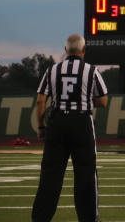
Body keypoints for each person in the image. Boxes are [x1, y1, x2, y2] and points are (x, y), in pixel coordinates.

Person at [32, 34, 108, 222]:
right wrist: (83, 101)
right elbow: (102, 101)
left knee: (50, 174)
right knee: (86, 173)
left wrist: (41, 126)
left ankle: (41, 218)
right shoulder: (91, 70)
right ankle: (89, 218)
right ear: (84, 49)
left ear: (66, 50)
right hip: (81, 122)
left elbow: (41, 101)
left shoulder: (52, 70)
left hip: (57, 122)